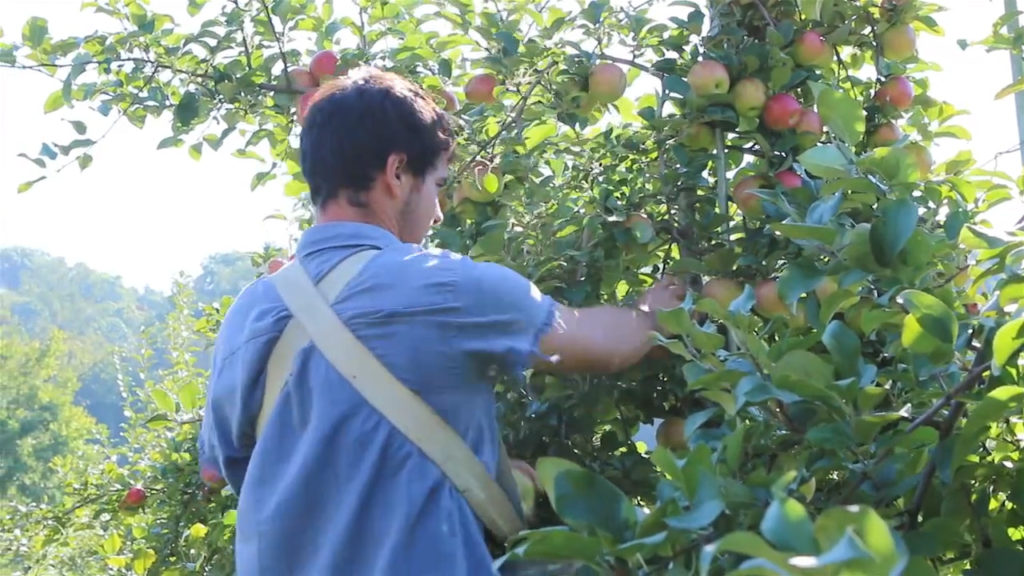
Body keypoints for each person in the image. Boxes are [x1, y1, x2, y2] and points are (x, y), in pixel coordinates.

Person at [197, 67, 685, 576]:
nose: (438, 215)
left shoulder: (248, 314)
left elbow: (232, 466)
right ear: (397, 172)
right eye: (438, 185)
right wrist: (653, 313)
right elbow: (598, 344)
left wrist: (463, 468)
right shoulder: (443, 287)